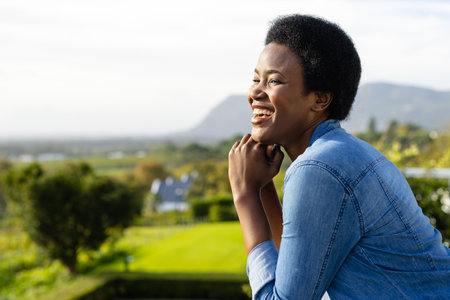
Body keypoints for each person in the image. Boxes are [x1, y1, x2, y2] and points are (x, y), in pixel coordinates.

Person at [228, 14, 450, 299]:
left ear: (320, 99)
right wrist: (261, 187)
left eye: (274, 80)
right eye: (256, 78)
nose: (255, 92)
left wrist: (244, 195)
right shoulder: (341, 152)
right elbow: (295, 269)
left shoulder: (320, 168)